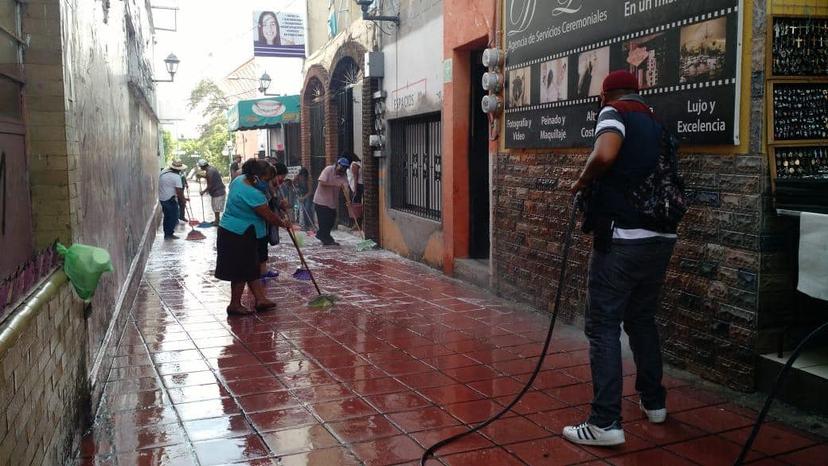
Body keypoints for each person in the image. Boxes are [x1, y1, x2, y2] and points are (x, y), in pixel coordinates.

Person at [564, 70, 677, 446]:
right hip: (660, 238)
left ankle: (604, 422)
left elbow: (606, 153)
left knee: (603, 325)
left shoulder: (614, 112)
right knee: (642, 319)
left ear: (605, 94)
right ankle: (654, 402)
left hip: (623, 237)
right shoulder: (657, 120)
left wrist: (582, 180)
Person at [215, 159, 287, 315]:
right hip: (238, 234)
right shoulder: (253, 193)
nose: (267, 183)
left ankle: (260, 299)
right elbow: (269, 216)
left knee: (251, 268)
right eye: (266, 179)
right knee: (241, 270)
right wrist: (284, 224)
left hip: (239, 231)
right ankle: (234, 305)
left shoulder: (239, 180)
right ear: (255, 177)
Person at [261, 161, 289, 279]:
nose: (282, 180)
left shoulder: (274, 187)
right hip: (263, 221)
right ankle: (261, 272)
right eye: (281, 177)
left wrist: (282, 206)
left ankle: (263, 270)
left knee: (264, 245)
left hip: (270, 221)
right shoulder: (265, 187)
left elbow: (277, 205)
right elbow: (267, 205)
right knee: (261, 245)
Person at [313, 157, 350, 246]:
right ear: (337, 165)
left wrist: (348, 200)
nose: (342, 170)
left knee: (331, 221)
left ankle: (322, 236)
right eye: (341, 167)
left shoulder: (343, 176)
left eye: (345, 168)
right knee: (324, 222)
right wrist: (335, 184)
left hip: (332, 202)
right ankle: (326, 239)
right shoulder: (328, 170)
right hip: (321, 201)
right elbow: (321, 182)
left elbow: (346, 188)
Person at [159, 159, 187, 240]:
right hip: (170, 199)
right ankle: (169, 234)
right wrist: (183, 200)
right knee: (174, 217)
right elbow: (179, 191)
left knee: (167, 216)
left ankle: (167, 234)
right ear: (179, 169)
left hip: (162, 198)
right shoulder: (176, 177)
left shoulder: (163, 172)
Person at [197, 159, 227, 226]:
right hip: (217, 191)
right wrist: (202, 176)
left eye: (200, 167)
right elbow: (209, 177)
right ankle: (217, 220)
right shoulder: (211, 169)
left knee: (216, 207)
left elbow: (210, 184)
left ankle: (217, 221)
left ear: (202, 166)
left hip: (218, 191)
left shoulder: (209, 171)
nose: (200, 168)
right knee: (215, 207)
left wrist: (203, 192)